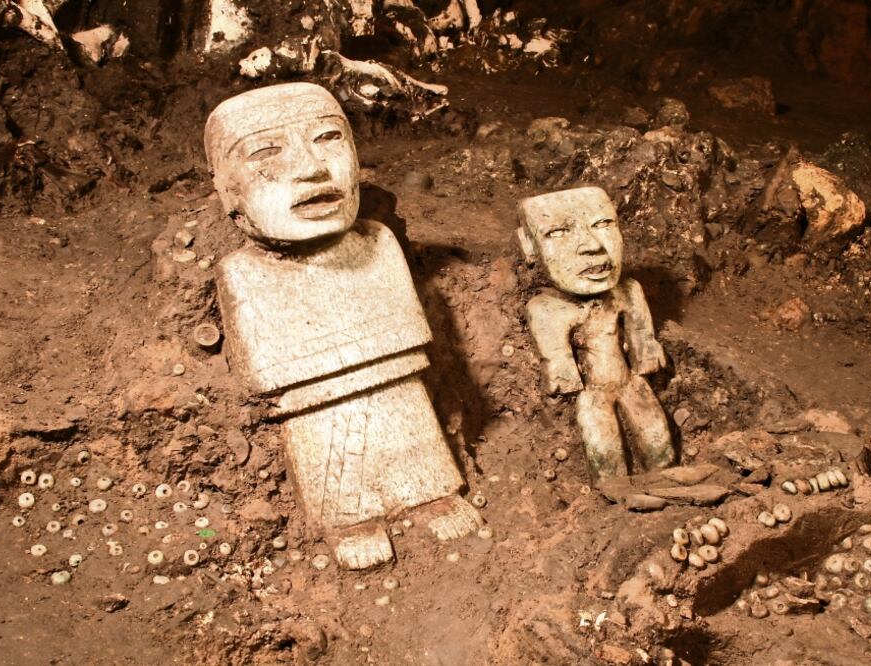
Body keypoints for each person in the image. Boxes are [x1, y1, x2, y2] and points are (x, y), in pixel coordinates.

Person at [205, 83, 480, 569]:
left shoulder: (377, 242)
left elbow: (413, 330)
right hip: (314, 407)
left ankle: (433, 496)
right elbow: (262, 372)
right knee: (332, 464)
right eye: (268, 151)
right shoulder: (244, 271)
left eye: (329, 138)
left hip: (397, 384)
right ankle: (351, 523)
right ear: (230, 193)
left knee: (414, 442)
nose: (311, 168)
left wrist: (340, 346)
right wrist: (348, 347)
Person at [517, 186, 675, 480]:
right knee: (604, 450)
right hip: (594, 394)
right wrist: (559, 367)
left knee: (657, 440)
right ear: (528, 245)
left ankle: (665, 486)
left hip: (632, 383)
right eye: (559, 232)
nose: (591, 245)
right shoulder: (546, 309)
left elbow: (643, 341)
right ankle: (618, 496)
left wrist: (646, 347)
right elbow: (558, 364)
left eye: (603, 224)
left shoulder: (628, 292)